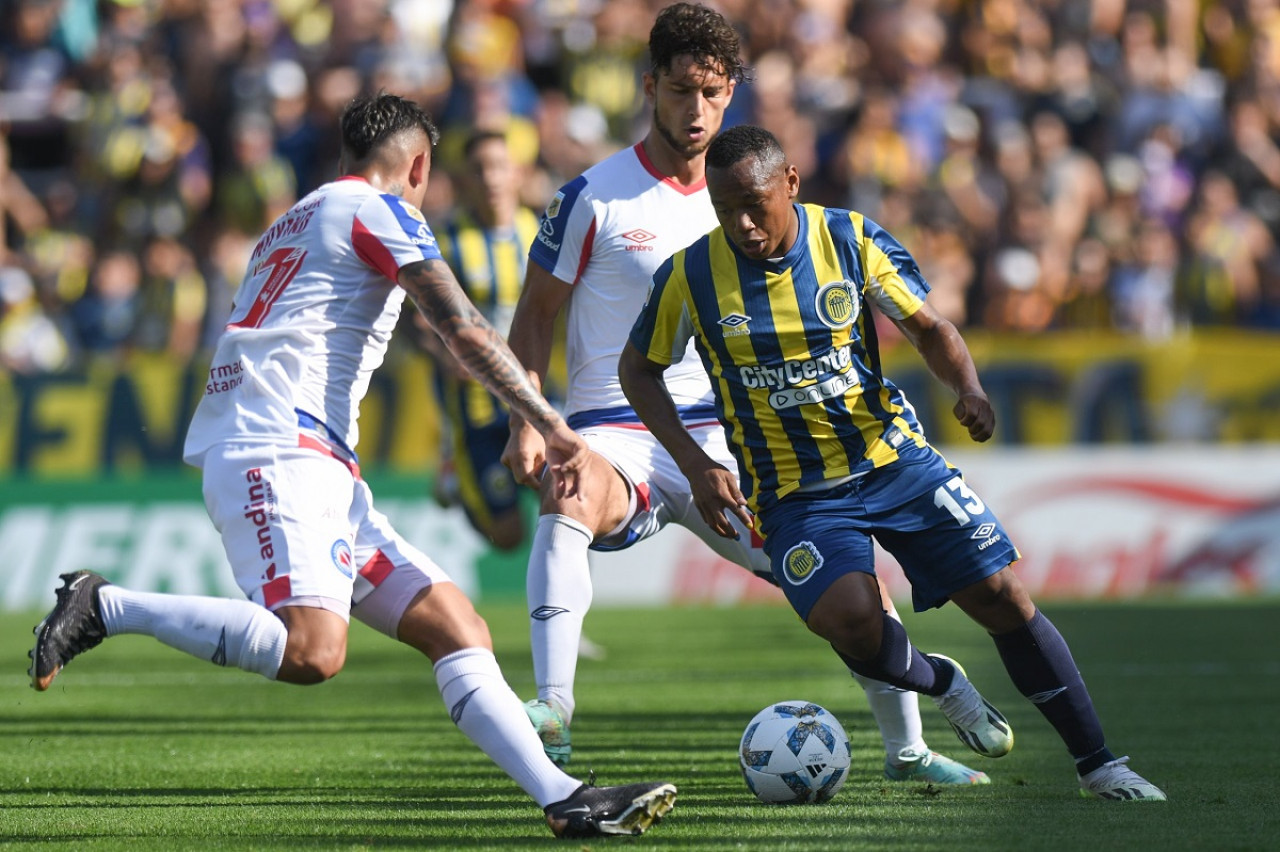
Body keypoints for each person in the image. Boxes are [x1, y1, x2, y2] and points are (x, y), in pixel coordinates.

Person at [27, 92, 676, 840]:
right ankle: (106, 605)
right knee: (311, 649)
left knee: (453, 623)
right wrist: (547, 420)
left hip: (313, 459)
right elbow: (461, 325)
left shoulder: (295, 218)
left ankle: (565, 797)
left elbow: (385, 333)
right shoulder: (383, 211)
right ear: (419, 166)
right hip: (276, 447)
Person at [502, 2, 989, 786]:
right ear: (649, 84)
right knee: (567, 490)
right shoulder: (591, 197)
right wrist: (531, 420)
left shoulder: (752, 195)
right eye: (680, 91)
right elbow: (533, 317)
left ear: (732, 93)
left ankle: (908, 749)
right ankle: (554, 710)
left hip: (741, 441)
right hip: (617, 431)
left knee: (848, 590)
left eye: (713, 92)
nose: (695, 110)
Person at [619, 124, 1167, 802]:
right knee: (846, 618)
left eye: (754, 204)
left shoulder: (848, 239)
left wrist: (966, 387)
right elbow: (638, 371)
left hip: (893, 461)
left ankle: (1100, 765)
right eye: (723, 207)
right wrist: (697, 463)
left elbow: (930, 328)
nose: (742, 224)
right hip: (796, 491)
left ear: (790, 182)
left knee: (1002, 597)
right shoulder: (691, 275)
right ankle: (943, 683)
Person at [410, 129, 541, 550]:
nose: (491, 178)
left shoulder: (540, 233)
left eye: (499, 166)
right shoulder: (445, 243)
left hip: (537, 391)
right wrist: (444, 353)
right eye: (479, 169)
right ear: (463, 179)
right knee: (507, 536)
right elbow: (413, 321)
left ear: (517, 173)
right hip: (476, 406)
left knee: (568, 494)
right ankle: (456, 475)